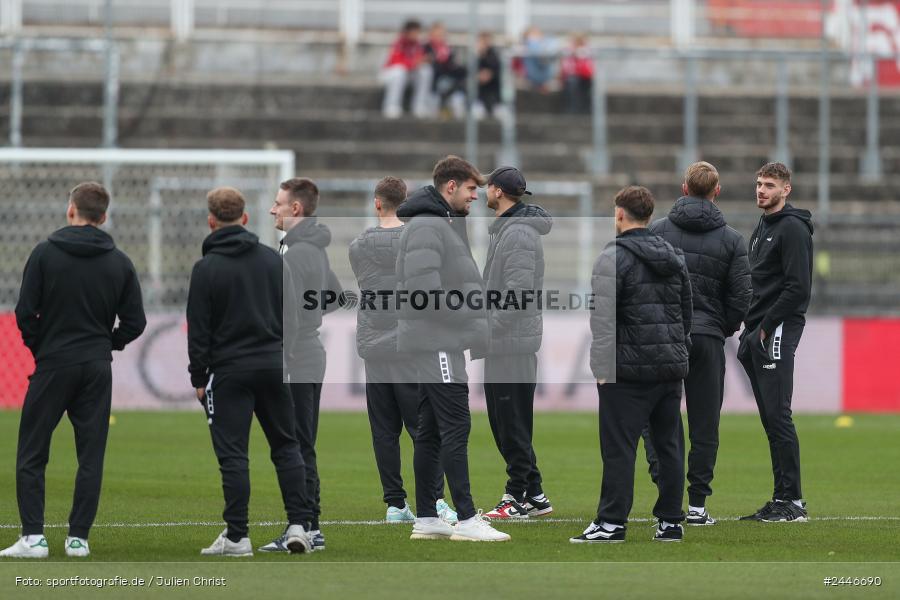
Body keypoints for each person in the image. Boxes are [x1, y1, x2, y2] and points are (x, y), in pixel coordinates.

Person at [2, 182, 146, 559]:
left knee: (32, 451)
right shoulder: (120, 262)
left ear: (71, 210)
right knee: (91, 454)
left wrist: (42, 347)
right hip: (96, 367)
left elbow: (24, 313)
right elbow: (136, 322)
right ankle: (78, 538)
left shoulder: (45, 254)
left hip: (54, 363)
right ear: (104, 216)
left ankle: (33, 537)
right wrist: (107, 344)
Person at [187, 187, 314, 557]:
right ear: (245, 218)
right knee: (287, 447)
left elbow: (199, 330)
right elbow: (293, 317)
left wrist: (198, 378)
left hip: (228, 372)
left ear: (211, 222)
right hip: (274, 365)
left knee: (234, 455)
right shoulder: (274, 261)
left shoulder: (206, 268)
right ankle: (298, 525)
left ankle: (238, 536)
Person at [395, 155, 509, 542]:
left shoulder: (439, 224)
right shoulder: (429, 227)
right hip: (438, 342)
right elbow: (422, 293)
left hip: (436, 340)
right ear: (450, 187)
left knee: (429, 432)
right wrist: (469, 314)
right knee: (455, 425)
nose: (475, 196)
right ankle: (465, 518)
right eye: (471, 189)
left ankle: (427, 517)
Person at [572, 186, 691, 544]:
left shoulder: (612, 258)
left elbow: (603, 320)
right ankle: (671, 521)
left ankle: (611, 522)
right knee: (669, 446)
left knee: (619, 448)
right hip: (669, 368)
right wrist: (678, 350)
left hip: (627, 369)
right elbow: (685, 312)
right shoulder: (673, 255)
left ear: (620, 214)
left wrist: (601, 367)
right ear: (649, 216)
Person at [642, 161, 752, 525]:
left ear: (684, 188)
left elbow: (644, 284)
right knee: (705, 424)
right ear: (716, 191)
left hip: (666, 336)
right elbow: (741, 297)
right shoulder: (733, 240)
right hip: (707, 338)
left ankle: (666, 490)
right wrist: (722, 328)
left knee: (660, 418)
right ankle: (697, 506)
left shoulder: (657, 231)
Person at [348, 176, 457, 524]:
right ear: (405, 201)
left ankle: (395, 505)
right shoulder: (416, 240)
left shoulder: (358, 245)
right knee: (423, 427)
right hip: (409, 344)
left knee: (384, 430)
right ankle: (436, 500)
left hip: (373, 345)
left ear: (376, 203)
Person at [471, 167, 554, 520]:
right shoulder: (509, 230)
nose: (483, 193)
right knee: (507, 422)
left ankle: (515, 496)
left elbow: (517, 295)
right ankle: (533, 494)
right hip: (506, 342)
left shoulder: (517, 234)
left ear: (499, 192)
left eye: (488, 187)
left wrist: (489, 329)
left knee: (511, 424)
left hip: (510, 344)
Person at [737, 162, 813, 523]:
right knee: (770, 418)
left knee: (779, 415)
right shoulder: (762, 227)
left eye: (769, 185)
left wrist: (765, 328)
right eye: (758, 184)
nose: (761, 190)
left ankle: (792, 501)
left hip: (777, 328)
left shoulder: (793, 230)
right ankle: (782, 496)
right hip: (758, 330)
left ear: (786, 190)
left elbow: (798, 288)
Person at [271, 177, 342, 551]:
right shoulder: (312, 249)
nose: (273, 208)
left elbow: (289, 312)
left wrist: (289, 344)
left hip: (297, 356)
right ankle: (310, 524)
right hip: (310, 351)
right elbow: (335, 296)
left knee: (296, 443)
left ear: (295, 208)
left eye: (278, 202)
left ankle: (307, 525)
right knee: (302, 441)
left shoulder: (295, 253)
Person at [380, 19, 430, 119]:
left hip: (408, 74)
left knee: (425, 71)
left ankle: (419, 105)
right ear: (407, 32)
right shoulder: (398, 43)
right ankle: (391, 105)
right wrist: (414, 62)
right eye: (414, 32)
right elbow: (396, 62)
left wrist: (423, 60)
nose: (416, 35)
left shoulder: (418, 45)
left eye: (418, 32)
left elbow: (420, 60)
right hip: (390, 74)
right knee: (399, 72)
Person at [423, 22, 467, 119]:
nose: (440, 37)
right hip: (433, 85)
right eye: (437, 35)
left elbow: (452, 66)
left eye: (442, 34)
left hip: (448, 79)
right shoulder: (425, 48)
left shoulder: (448, 49)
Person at [473, 32, 505, 120]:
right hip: (479, 94)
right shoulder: (475, 57)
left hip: (493, 92)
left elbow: (496, 70)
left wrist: (489, 74)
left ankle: (496, 106)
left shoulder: (494, 56)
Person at [560, 33, 593, 114]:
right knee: (572, 84)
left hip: (585, 76)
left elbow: (589, 64)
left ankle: (585, 109)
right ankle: (572, 109)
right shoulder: (568, 50)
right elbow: (566, 67)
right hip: (572, 76)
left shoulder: (587, 49)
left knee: (586, 89)